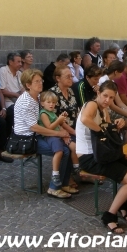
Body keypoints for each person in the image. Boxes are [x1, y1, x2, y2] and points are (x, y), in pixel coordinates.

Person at [76, 81, 127, 233]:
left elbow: (107, 131)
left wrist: (116, 123)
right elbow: (85, 119)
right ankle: (110, 215)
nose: (107, 100)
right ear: (98, 93)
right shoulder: (92, 105)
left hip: (104, 153)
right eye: (105, 96)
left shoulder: (104, 109)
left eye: (111, 98)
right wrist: (102, 130)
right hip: (90, 157)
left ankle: (121, 203)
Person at [14, 69, 74, 198]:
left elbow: (51, 117)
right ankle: (54, 187)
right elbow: (34, 128)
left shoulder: (39, 97)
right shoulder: (26, 101)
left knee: (67, 147)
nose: (41, 83)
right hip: (26, 139)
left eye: (41, 80)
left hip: (38, 135)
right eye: (36, 81)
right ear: (28, 85)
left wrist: (62, 132)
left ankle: (63, 183)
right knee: (64, 151)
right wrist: (58, 134)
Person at [38, 91, 78, 189]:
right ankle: (55, 173)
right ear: (42, 103)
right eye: (49, 102)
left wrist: (68, 133)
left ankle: (76, 167)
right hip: (50, 136)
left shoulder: (52, 113)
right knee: (60, 151)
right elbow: (49, 128)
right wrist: (59, 120)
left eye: (53, 102)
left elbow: (61, 126)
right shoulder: (43, 113)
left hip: (57, 134)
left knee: (74, 146)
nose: (51, 104)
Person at [49, 65, 81, 181]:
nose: (71, 79)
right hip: (60, 129)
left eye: (71, 76)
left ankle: (82, 172)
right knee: (73, 147)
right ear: (58, 78)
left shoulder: (71, 91)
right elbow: (54, 118)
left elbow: (76, 111)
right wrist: (72, 132)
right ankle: (68, 178)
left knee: (90, 141)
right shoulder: (52, 94)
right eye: (67, 76)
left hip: (74, 127)